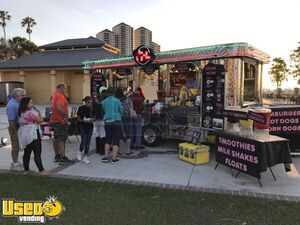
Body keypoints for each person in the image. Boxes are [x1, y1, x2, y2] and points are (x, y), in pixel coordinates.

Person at [17, 97, 49, 175]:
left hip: (25, 134)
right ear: (26, 104)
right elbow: (41, 120)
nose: (32, 104)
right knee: (37, 152)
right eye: (30, 102)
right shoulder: (30, 113)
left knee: (27, 152)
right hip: (33, 134)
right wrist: (39, 112)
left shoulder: (21, 112)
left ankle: (26, 170)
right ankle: (41, 170)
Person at [50, 84, 73, 165]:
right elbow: (58, 107)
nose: (66, 91)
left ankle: (57, 156)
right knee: (62, 139)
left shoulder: (54, 95)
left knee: (56, 138)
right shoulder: (60, 96)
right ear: (62, 88)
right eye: (65, 89)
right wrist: (65, 115)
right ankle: (63, 157)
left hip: (55, 120)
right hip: (61, 121)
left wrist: (66, 97)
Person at [6, 88, 26, 172]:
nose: (25, 97)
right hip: (15, 128)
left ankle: (16, 162)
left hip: (19, 127)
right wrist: (15, 133)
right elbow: (11, 121)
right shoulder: (12, 105)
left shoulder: (17, 103)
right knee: (15, 146)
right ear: (17, 96)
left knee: (17, 145)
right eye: (23, 95)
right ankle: (15, 164)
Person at [101, 87, 123, 163]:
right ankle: (114, 158)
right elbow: (121, 110)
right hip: (116, 121)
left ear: (107, 93)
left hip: (107, 122)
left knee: (108, 139)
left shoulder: (103, 102)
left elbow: (103, 111)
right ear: (114, 93)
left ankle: (106, 157)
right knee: (116, 140)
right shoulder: (117, 101)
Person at [76, 96, 95, 164]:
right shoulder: (81, 108)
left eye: (91, 103)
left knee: (88, 143)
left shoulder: (92, 108)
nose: (89, 104)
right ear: (85, 102)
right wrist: (83, 121)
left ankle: (85, 156)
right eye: (88, 103)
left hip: (90, 126)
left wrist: (92, 120)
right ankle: (79, 152)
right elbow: (78, 118)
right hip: (82, 126)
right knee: (84, 141)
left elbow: (94, 118)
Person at [115, 88, 134, 155]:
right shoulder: (128, 99)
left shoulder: (116, 100)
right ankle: (128, 151)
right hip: (127, 118)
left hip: (118, 118)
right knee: (128, 134)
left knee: (120, 134)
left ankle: (120, 150)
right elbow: (131, 109)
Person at [93, 90, 107, 155]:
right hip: (102, 119)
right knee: (103, 134)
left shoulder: (95, 101)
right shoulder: (103, 102)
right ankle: (102, 151)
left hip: (96, 119)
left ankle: (97, 150)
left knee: (97, 134)